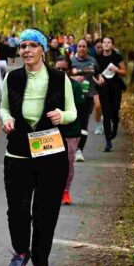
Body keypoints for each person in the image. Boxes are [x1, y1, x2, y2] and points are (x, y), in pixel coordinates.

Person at [1, 28, 77, 266]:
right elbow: (4, 107)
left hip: (50, 154)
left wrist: (61, 116)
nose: (27, 50)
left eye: (32, 45)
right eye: (23, 46)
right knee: (17, 210)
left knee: (46, 213)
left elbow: (72, 112)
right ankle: (21, 252)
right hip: (18, 153)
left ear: (43, 50)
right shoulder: (12, 77)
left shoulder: (59, 78)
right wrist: (6, 119)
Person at [55, 57, 84, 205]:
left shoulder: (76, 87)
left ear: (70, 70)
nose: (61, 71)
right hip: (51, 130)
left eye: (64, 69)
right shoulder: (47, 86)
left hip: (71, 131)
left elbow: (79, 109)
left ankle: (65, 191)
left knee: (68, 162)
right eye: (58, 68)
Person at [95, 36, 127, 152]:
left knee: (115, 110)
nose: (106, 44)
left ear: (112, 45)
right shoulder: (98, 58)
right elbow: (95, 72)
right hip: (104, 88)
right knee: (106, 114)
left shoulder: (117, 57)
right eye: (104, 42)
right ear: (102, 44)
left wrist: (116, 70)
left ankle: (116, 123)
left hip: (116, 87)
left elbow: (124, 72)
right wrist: (99, 77)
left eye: (109, 42)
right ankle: (108, 141)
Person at [70, 39, 99, 161]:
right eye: (79, 46)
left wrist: (100, 81)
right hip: (73, 96)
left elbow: (97, 75)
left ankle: (79, 150)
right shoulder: (71, 61)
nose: (81, 48)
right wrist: (74, 78)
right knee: (73, 122)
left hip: (88, 95)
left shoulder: (93, 61)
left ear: (87, 48)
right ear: (76, 48)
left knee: (84, 123)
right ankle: (70, 147)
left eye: (84, 46)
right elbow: (64, 75)